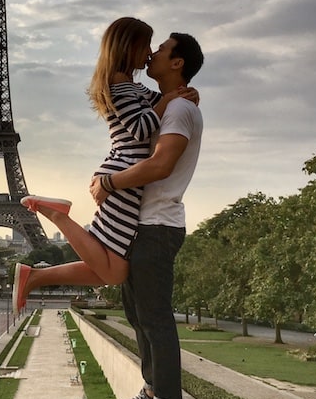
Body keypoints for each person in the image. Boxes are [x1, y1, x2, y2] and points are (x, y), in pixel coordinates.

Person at [13, 17, 198, 314]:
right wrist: (169, 101)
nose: (150, 52)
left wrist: (182, 95)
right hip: (123, 176)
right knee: (113, 272)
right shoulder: (116, 85)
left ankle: (34, 276)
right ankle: (57, 217)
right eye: (146, 45)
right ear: (128, 47)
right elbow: (142, 126)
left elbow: (160, 102)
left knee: (110, 266)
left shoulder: (132, 88)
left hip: (125, 176)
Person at [90, 32, 204, 399]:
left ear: (177, 64)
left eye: (163, 49)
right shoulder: (165, 104)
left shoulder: (179, 111)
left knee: (155, 319)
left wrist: (109, 183)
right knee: (139, 316)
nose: (153, 52)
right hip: (142, 223)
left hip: (158, 225)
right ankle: (154, 389)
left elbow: (159, 167)